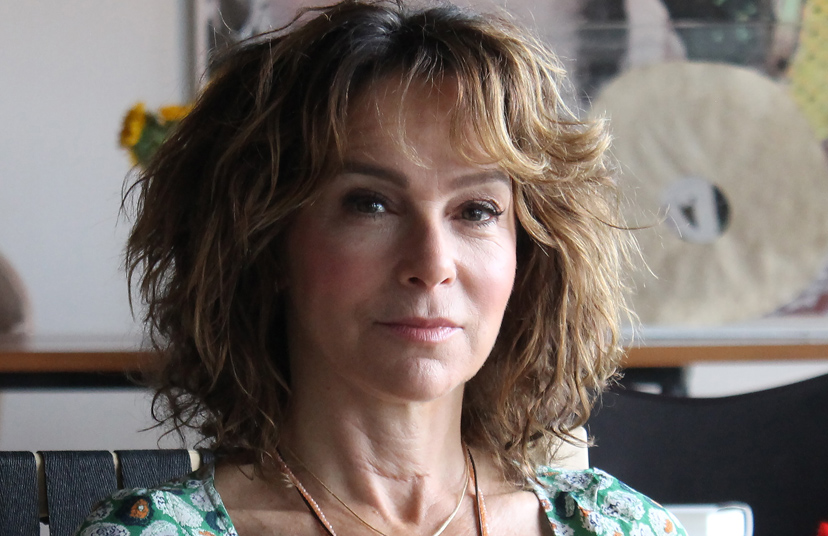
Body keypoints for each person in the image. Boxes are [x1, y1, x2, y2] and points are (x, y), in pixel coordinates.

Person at [76, 1, 686, 535]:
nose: (431, 264)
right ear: (265, 242)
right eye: (370, 204)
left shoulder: (619, 526)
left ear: (528, 255)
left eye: (475, 210)